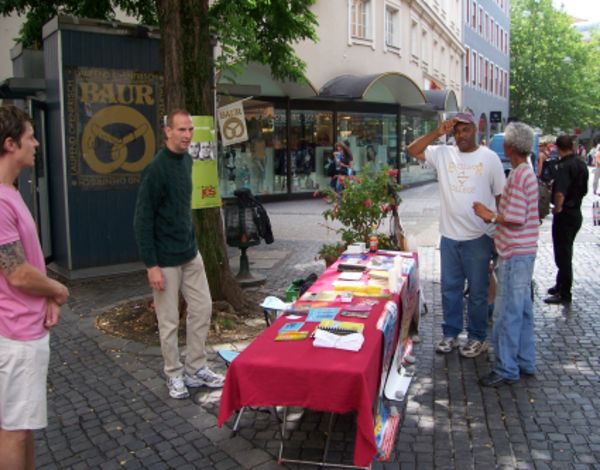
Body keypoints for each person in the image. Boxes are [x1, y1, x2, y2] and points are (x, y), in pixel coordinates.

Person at [133, 109, 224, 399]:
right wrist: (152, 266)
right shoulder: (156, 169)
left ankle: (196, 367)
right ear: (167, 132)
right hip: (165, 259)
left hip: (190, 253)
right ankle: (173, 373)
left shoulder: (187, 160)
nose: (187, 135)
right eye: (181, 130)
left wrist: (192, 243)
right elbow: (142, 220)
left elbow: (181, 209)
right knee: (169, 320)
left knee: (203, 308)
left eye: (189, 130)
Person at [0, 105, 70, 468]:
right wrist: (57, 290)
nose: (37, 143)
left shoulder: (9, 192)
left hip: (23, 331)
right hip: (14, 337)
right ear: (11, 144)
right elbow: (16, 273)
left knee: (21, 427)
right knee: (13, 429)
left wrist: (47, 296)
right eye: (30, 137)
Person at [407, 112, 505, 358]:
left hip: (479, 237)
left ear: (476, 130)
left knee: (478, 292)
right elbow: (412, 149)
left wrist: (499, 230)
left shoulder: (490, 158)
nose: (460, 135)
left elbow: (501, 198)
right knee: (450, 289)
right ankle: (451, 333)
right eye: (456, 131)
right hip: (449, 236)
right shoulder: (443, 153)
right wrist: (437, 132)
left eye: (465, 130)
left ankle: (477, 337)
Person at [472, 122, 539, 386]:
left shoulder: (520, 175)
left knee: (506, 313)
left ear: (509, 146)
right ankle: (524, 361)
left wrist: (489, 215)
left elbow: (514, 217)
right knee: (521, 311)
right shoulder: (526, 171)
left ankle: (506, 368)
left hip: (515, 253)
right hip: (523, 251)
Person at [544, 135, 589, 304]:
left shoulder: (564, 165)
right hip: (576, 210)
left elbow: (560, 192)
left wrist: (558, 207)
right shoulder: (581, 163)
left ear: (558, 147)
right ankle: (560, 284)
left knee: (563, 253)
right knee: (565, 250)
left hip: (566, 213)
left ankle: (564, 292)